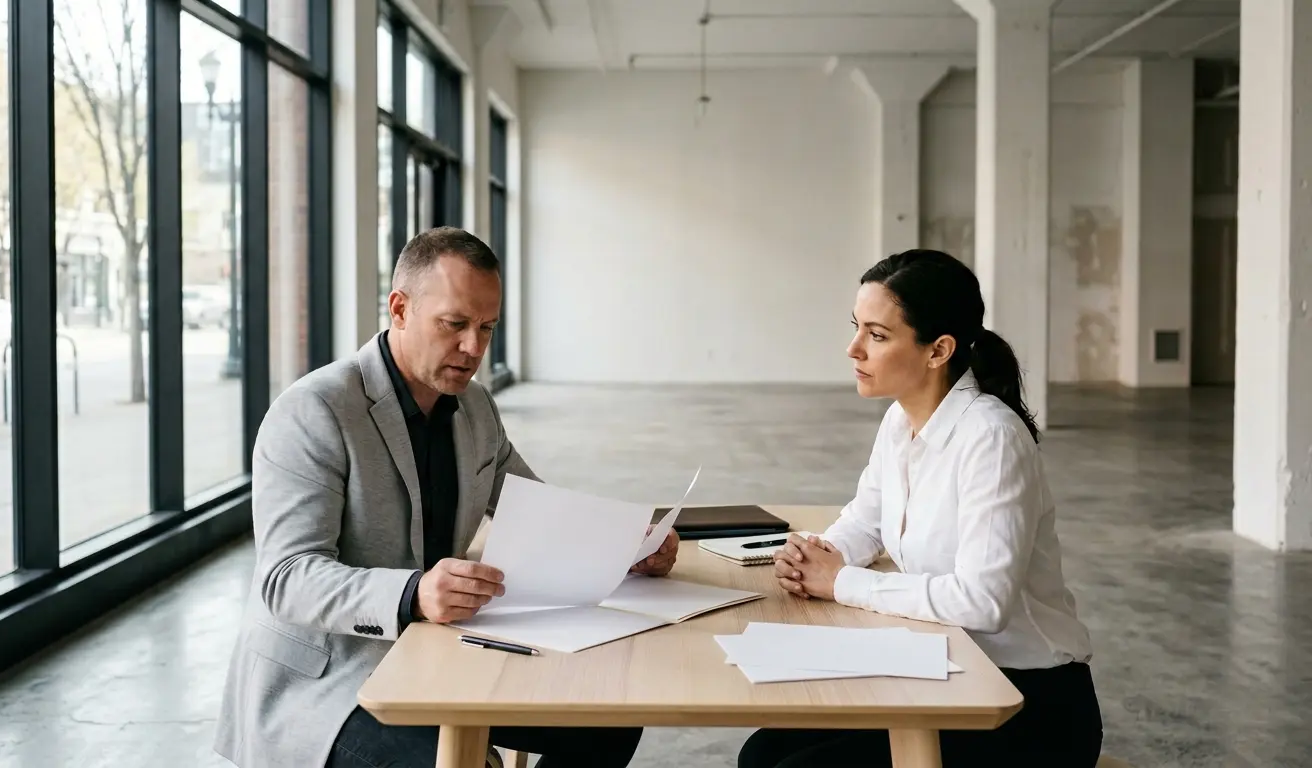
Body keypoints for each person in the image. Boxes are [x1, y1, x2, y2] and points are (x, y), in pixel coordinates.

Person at [214, 227, 678, 768]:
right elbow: (286, 578)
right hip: (332, 680)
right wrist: (413, 593)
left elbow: (539, 510)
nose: (473, 349)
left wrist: (624, 547)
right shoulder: (315, 410)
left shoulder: (476, 406)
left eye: (486, 328)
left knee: (608, 722)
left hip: (443, 649)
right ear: (400, 309)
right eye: (454, 325)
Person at [739, 250, 1102, 767]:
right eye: (856, 328)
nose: (854, 349)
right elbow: (867, 518)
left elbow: (983, 603)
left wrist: (839, 581)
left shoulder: (991, 438)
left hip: (1026, 703)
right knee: (764, 752)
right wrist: (820, 554)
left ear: (938, 351)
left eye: (877, 335)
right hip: (943, 666)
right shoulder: (899, 421)